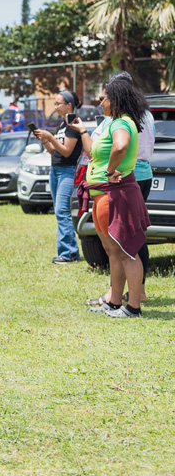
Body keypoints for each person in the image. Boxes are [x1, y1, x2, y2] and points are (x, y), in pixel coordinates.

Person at [81, 72, 155, 307]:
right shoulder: (116, 121)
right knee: (114, 250)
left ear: (115, 99)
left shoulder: (122, 122)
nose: (100, 102)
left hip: (117, 192)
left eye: (103, 98)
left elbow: (121, 146)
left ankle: (133, 306)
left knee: (126, 250)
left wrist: (110, 169)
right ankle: (114, 301)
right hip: (104, 194)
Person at [32, 90, 84, 263]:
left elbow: (67, 151)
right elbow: (55, 151)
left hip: (68, 171)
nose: (55, 107)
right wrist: (45, 140)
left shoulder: (74, 124)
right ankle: (69, 251)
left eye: (58, 103)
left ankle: (69, 253)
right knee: (59, 211)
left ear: (69, 105)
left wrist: (51, 137)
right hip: (56, 170)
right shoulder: (63, 125)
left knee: (62, 211)